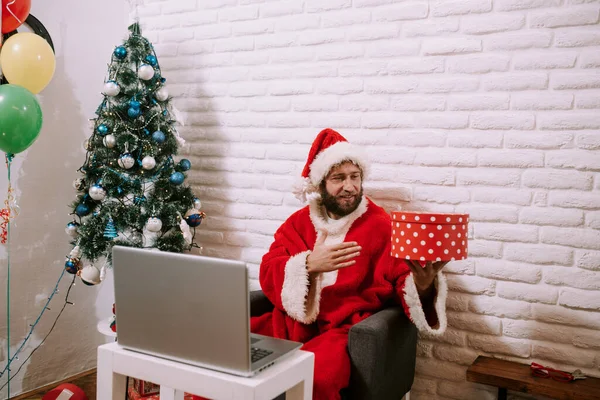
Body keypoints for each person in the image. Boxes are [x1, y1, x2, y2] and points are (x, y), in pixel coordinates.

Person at [251, 128, 450, 400]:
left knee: (315, 378)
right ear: (320, 184)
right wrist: (307, 263)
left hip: (342, 332)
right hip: (290, 325)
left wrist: (424, 287)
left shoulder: (381, 226)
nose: (349, 186)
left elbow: (406, 280)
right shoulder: (298, 223)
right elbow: (268, 268)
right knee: (229, 352)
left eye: (355, 177)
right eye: (338, 178)